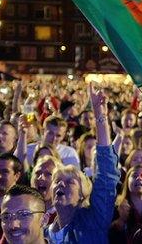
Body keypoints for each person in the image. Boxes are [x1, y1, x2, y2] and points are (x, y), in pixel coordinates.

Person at [44, 83, 120, 243]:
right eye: (57, 181)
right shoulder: (41, 232)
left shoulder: (93, 220)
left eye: (70, 181)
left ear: (82, 195)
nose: (60, 185)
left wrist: (100, 116)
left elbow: (106, 176)